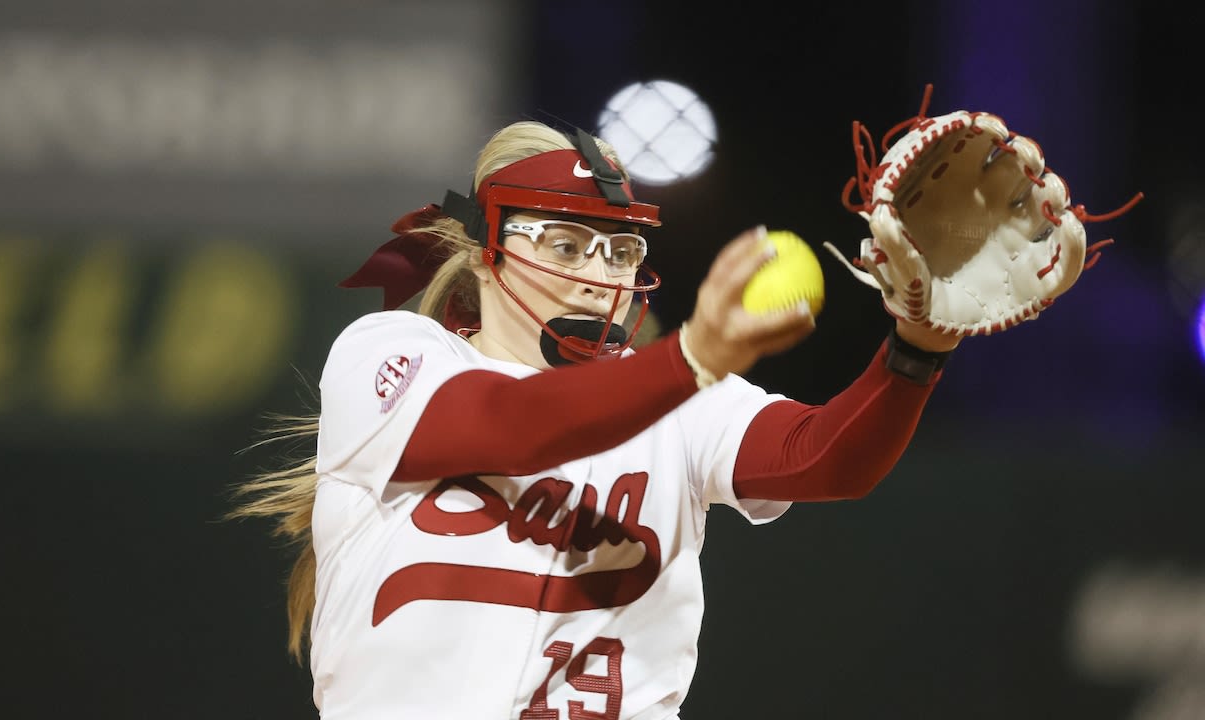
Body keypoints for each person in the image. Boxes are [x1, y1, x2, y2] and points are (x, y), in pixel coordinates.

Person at [231, 120, 961, 719]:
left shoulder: (679, 395)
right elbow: (511, 422)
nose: (600, 274)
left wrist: (914, 351)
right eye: (565, 244)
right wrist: (691, 358)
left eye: (619, 250)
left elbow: (824, 457)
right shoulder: (391, 355)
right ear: (485, 252)